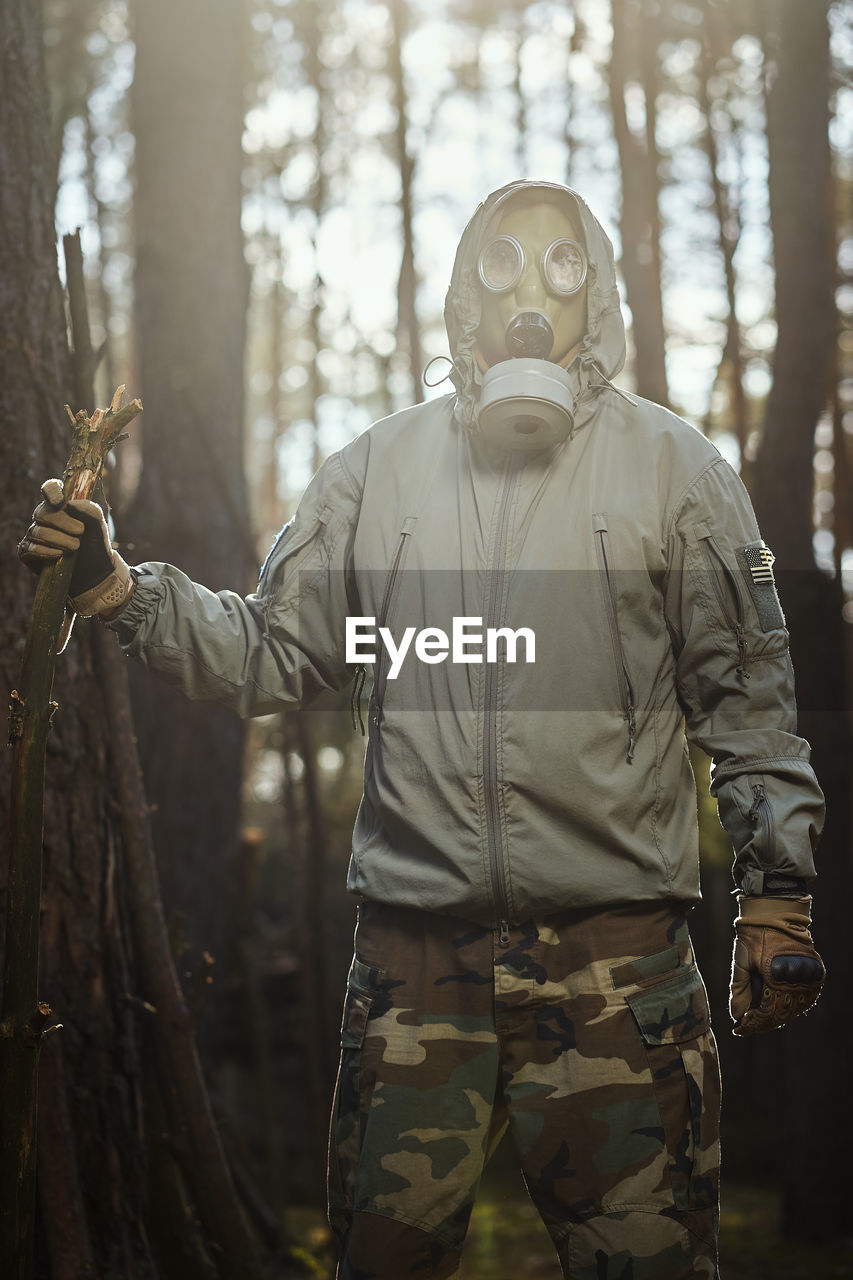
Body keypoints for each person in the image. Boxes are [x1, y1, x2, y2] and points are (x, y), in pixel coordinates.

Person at [20, 179, 826, 1280]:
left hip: (618, 973)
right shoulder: (373, 471)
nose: (532, 292)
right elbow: (274, 650)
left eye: (563, 263)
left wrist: (776, 894)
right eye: (502, 264)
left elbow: (748, 694)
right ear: (463, 296)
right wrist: (119, 588)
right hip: (414, 976)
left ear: (597, 295)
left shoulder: (674, 469)